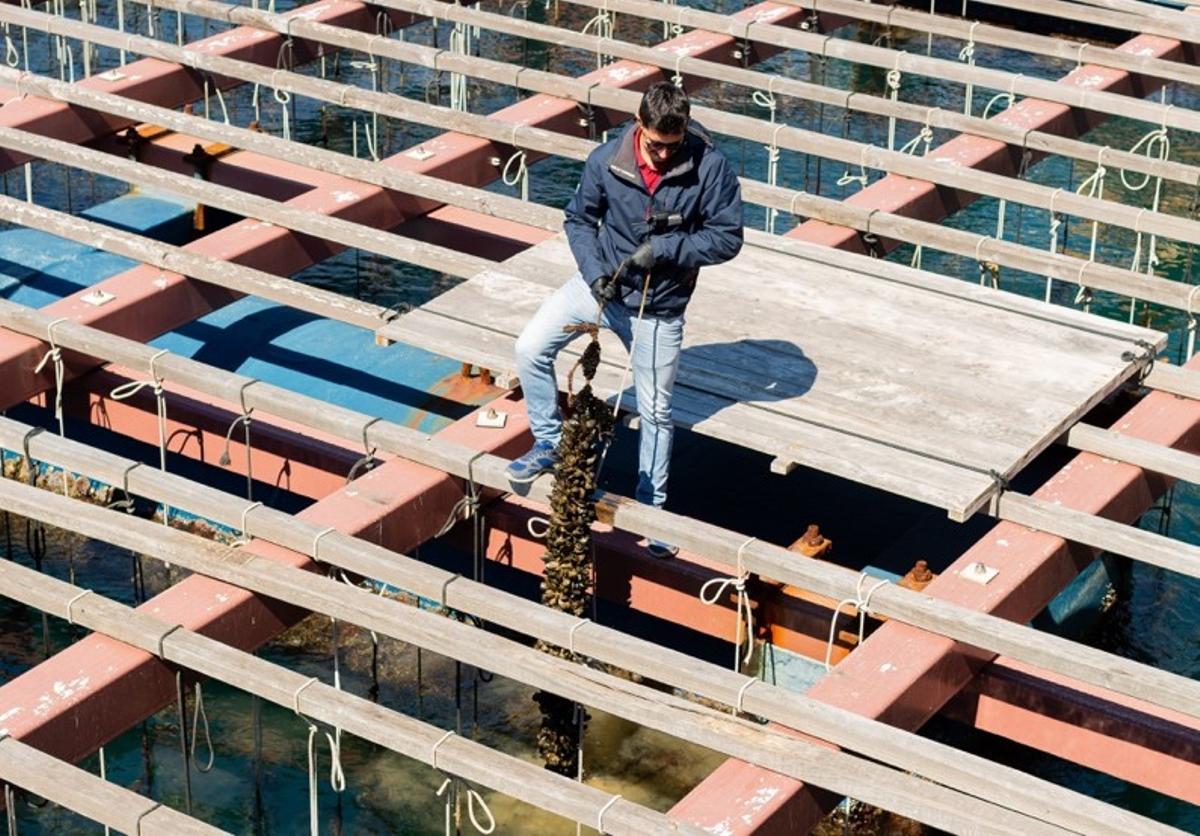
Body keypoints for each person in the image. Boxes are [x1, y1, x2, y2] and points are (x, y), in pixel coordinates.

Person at [506, 82, 744, 556]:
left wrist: (665, 250)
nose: (660, 155)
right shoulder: (605, 160)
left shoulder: (711, 167)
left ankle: (651, 509)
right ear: (639, 126)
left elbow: (727, 238)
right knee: (529, 348)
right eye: (654, 144)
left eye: (671, 148)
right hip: (601, 287)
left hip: (660, 306)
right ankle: (548, 442)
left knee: (656, 411)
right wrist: (594, 275)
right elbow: (578, 220)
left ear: (685, 135)